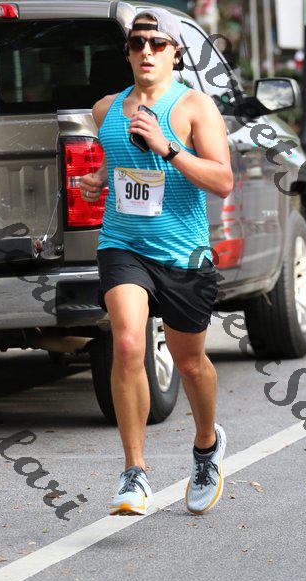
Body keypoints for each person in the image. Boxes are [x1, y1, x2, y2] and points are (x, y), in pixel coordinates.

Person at [80, 7, 233, 516]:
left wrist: (168, 149)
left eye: (157, 44)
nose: (146, 52)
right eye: (137, 43)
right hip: (123, 245)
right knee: (127, 343)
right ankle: (134, 472)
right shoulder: (106, 109)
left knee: (189, 363)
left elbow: (222, 181)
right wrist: (99, 179)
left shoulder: (194, 107)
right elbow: (117, 163)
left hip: (183, 253)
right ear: (127, 52)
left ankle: (207, 446)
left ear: (175, 54)